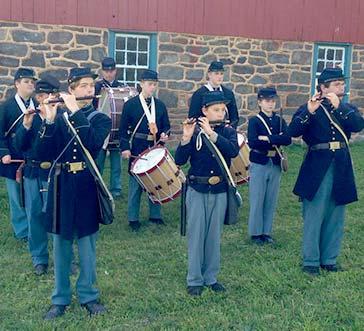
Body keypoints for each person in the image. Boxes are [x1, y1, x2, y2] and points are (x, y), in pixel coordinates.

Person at [33, 67, 112, 319]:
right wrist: (48, 120)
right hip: (62, 186)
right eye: (83, 86)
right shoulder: (60, 116)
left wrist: (76, 112)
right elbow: (43, 154)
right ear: (71, 90)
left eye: (91, 86)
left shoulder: (101, 118)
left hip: (87, 186)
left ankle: (89, 295)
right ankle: (60, 298)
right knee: (62, 244)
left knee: (87, 246)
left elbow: (91, 143)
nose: (89, 90)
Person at [288, 68, 364, 276]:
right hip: (317, 165)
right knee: (315, 213)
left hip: (340, 165)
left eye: (342, 83)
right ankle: (311, 260)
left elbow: (358, 125)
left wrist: (339, 108)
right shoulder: (309, 108)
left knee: (335, 213)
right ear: (323, 87)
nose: (342, 87)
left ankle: (329, 259)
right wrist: (309, 112)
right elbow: (292, 132)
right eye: (337, 84)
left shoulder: (347, 108)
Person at [175, 91, 239, 296]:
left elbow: (233, 151)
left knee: (213, 236)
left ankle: (210, 277)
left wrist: (213, 134)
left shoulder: (227, 132)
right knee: (197, 235)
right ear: (204, 111)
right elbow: (180, 160)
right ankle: (194, 279)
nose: (220, 113)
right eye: (215, 110)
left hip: (219, 190)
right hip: (197, 189)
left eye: (222, 109)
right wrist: (185, 137)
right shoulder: (194, 132)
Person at [13, 74, 60, 275]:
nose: (45, 100)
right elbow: (19, 146)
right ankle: (39, 258)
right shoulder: (29, 118)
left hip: (55, 173)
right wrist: (26, 126)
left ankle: (65, 257)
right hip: (33, 173)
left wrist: (51, 122)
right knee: (35, 216)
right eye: (42, 96)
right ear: (39, 98)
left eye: (50, 95)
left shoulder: (61, 119)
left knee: (58, 215)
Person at [119, 69, 170, 232]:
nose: (152, 88)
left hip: (154, 147)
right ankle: (133, 218)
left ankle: (155, 215)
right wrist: (126, 148)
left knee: (155, 183)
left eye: (154, 85)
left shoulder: (160, 105)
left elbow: (167, 126)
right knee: (136, 185)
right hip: (137, 146)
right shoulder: (130, 105)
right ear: (141, 84)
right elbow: (122, 130)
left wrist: (164, 134)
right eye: (149, 84)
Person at [247, 87, 291, 245]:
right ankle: (255, 233)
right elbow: (253, 142)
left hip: (275, 163)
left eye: (273, 101)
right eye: (267, 101)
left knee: (271, 199)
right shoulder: (254, 121)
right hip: (260, 161)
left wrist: (267, 138)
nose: (270, 104)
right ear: (259, 102)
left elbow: (287, 139)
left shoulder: (280, 120)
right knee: (258, 198)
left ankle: (266, 231)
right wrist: (275, 138)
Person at [0, 68, 37, 241]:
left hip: (32, 157)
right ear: (17, 84)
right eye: (26, 81)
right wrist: (4, 153)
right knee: (15, 197)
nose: (31, 84)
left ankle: (34, 228)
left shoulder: (37, 105)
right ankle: (22, 231)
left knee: (32, 195)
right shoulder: (6, 107)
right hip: (12, 159)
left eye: (32, 82)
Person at [94, 57, 126, 198]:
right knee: (98, 160)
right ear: (102, 71)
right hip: (101, 129)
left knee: (116, 163)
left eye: (111, 70)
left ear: (115, 71)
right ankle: (97, 185)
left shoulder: (120, 86)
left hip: (116, 128)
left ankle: (116, 188)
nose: (109, 73)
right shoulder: (97, 87)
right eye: (106, 71)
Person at [188, 61, 239, 128]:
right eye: (216, 73)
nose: (219, 77)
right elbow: (193, 117)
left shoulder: (228, 94)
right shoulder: (199, 94)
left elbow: (234, 117)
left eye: (221, 74)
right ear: (209, 74)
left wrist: (230, 128)